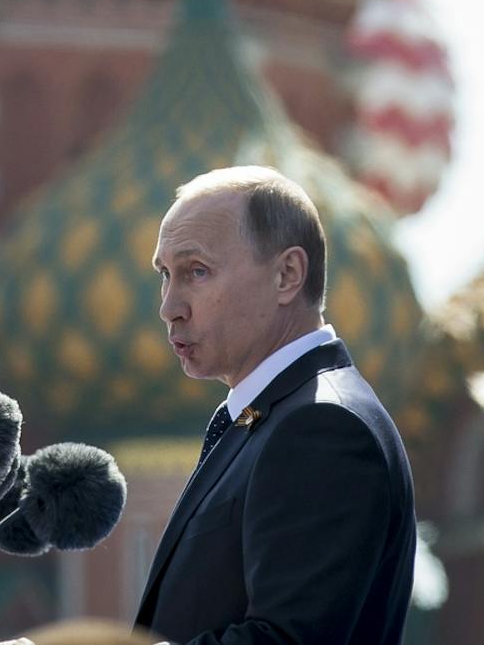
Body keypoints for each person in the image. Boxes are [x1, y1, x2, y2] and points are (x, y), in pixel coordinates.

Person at [134, 166, 415, 645]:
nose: (169, 306)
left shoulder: (322, 426)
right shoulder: (266, 419)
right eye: (165, 275)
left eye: (196, 272)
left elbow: (283, 640)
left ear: (287, 275)